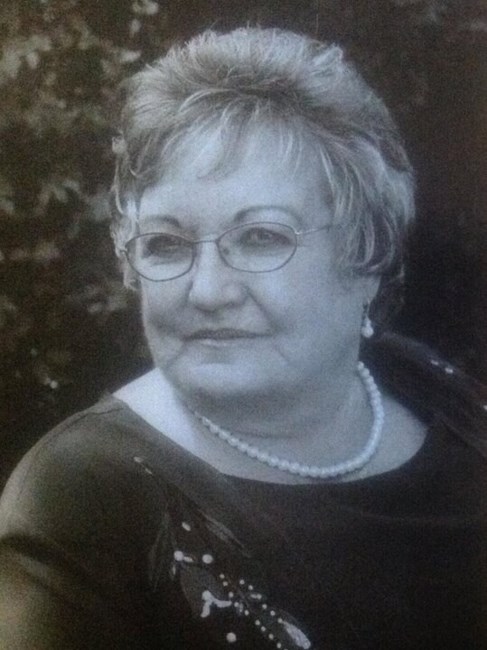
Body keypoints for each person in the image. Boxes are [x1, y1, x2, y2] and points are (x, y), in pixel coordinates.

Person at [0, 27, 486, 650]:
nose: (207, 291)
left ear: (366, 255)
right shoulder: (82, 497)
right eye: (167, 244)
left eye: (260, 237)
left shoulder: (430, 389)